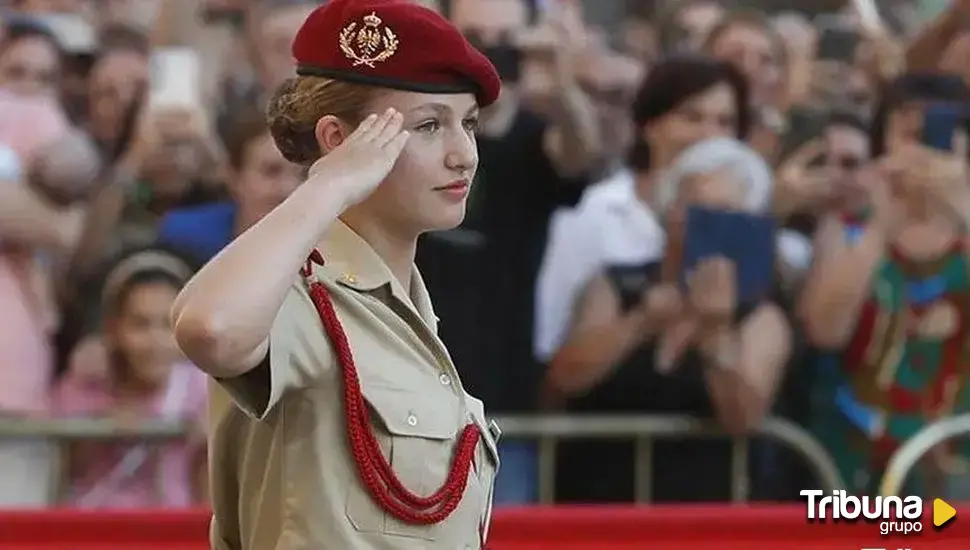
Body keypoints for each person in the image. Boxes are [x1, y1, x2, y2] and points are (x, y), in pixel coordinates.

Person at [172, 0, 502, 548]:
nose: (462, 154)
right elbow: (212, 330)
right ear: (337, 140)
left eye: (467, 124)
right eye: (427, 126)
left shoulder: (407, 307)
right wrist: (326, 186)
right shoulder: (304, 291)